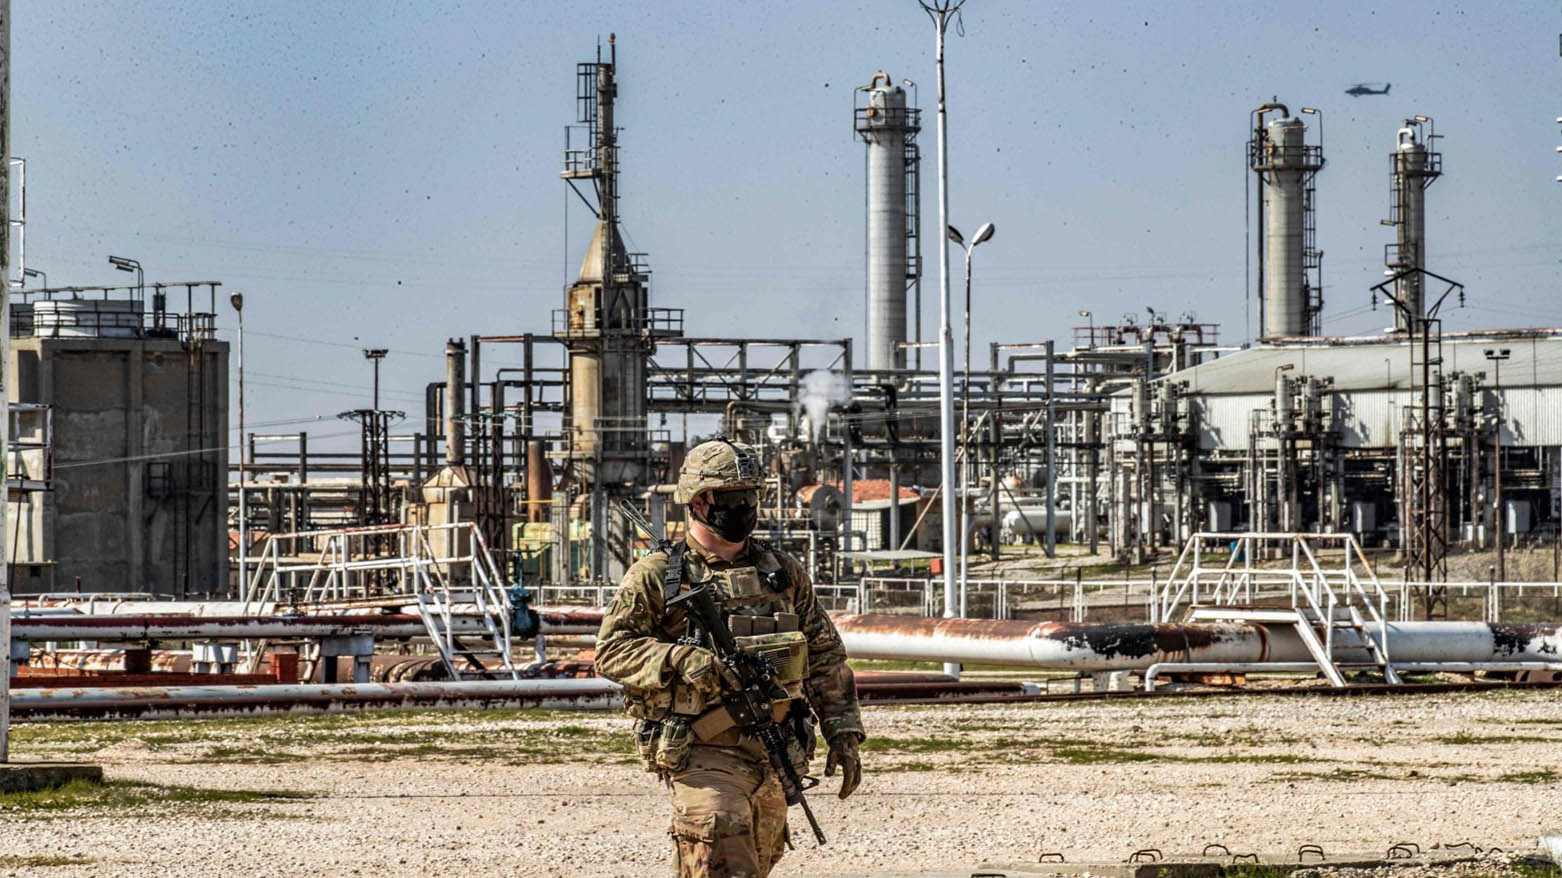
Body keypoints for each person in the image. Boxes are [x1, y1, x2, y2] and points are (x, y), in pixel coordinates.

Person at [596, 438, 865, 877]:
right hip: (704, 751)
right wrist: (679, 658)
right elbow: (612, 651)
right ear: (700, 503)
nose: (745, 507)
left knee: (758, 862)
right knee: (724, 862)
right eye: (733, 498)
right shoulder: (658, 576)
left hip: (774, 749)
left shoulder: (781, 572)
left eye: (750, 496)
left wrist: (843, 731)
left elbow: (824, 655)